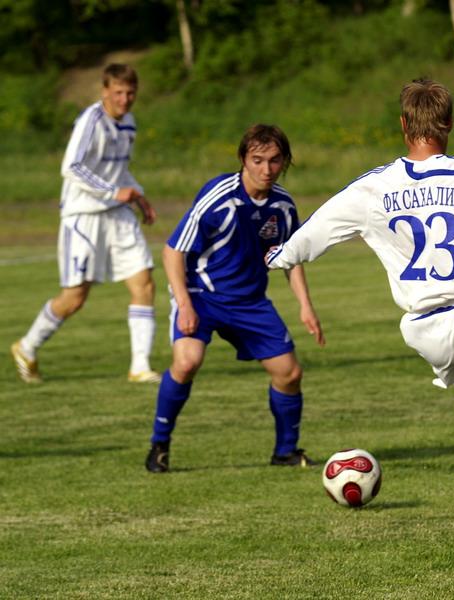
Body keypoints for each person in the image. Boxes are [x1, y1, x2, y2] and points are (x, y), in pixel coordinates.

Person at [266, 79, 454, 540]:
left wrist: (277, 255)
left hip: (423, 328)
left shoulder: (374, 187)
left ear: (403, 124)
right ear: (449, 123)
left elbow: (317, 230)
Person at [145, 124, 324, 473]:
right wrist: (184, 304)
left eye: (274, 161)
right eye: (257, 160)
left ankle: (285, 452)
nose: (266, 169)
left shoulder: (282, 206)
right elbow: (172, 251)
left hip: (249, 302)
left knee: (288, 373)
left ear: (284, 161)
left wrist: (305, 306)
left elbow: (290, 258)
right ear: (243, 159)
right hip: (202, 295)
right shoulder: (219, 196)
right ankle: (159, 445)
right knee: (186, 362)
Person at [11, 63, 160, 384]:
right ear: (105, 91)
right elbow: (72, 166)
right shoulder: (91, 121)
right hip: (83, 216)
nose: (125, 99)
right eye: (118, 92)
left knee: (144, 283)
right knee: (75, 297)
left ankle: (140, 367)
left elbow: (118, 173)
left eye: (130, 92)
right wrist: (113, 191)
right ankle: (27, 346)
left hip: (117, 214)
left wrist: (139, 196)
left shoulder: (130, 123)